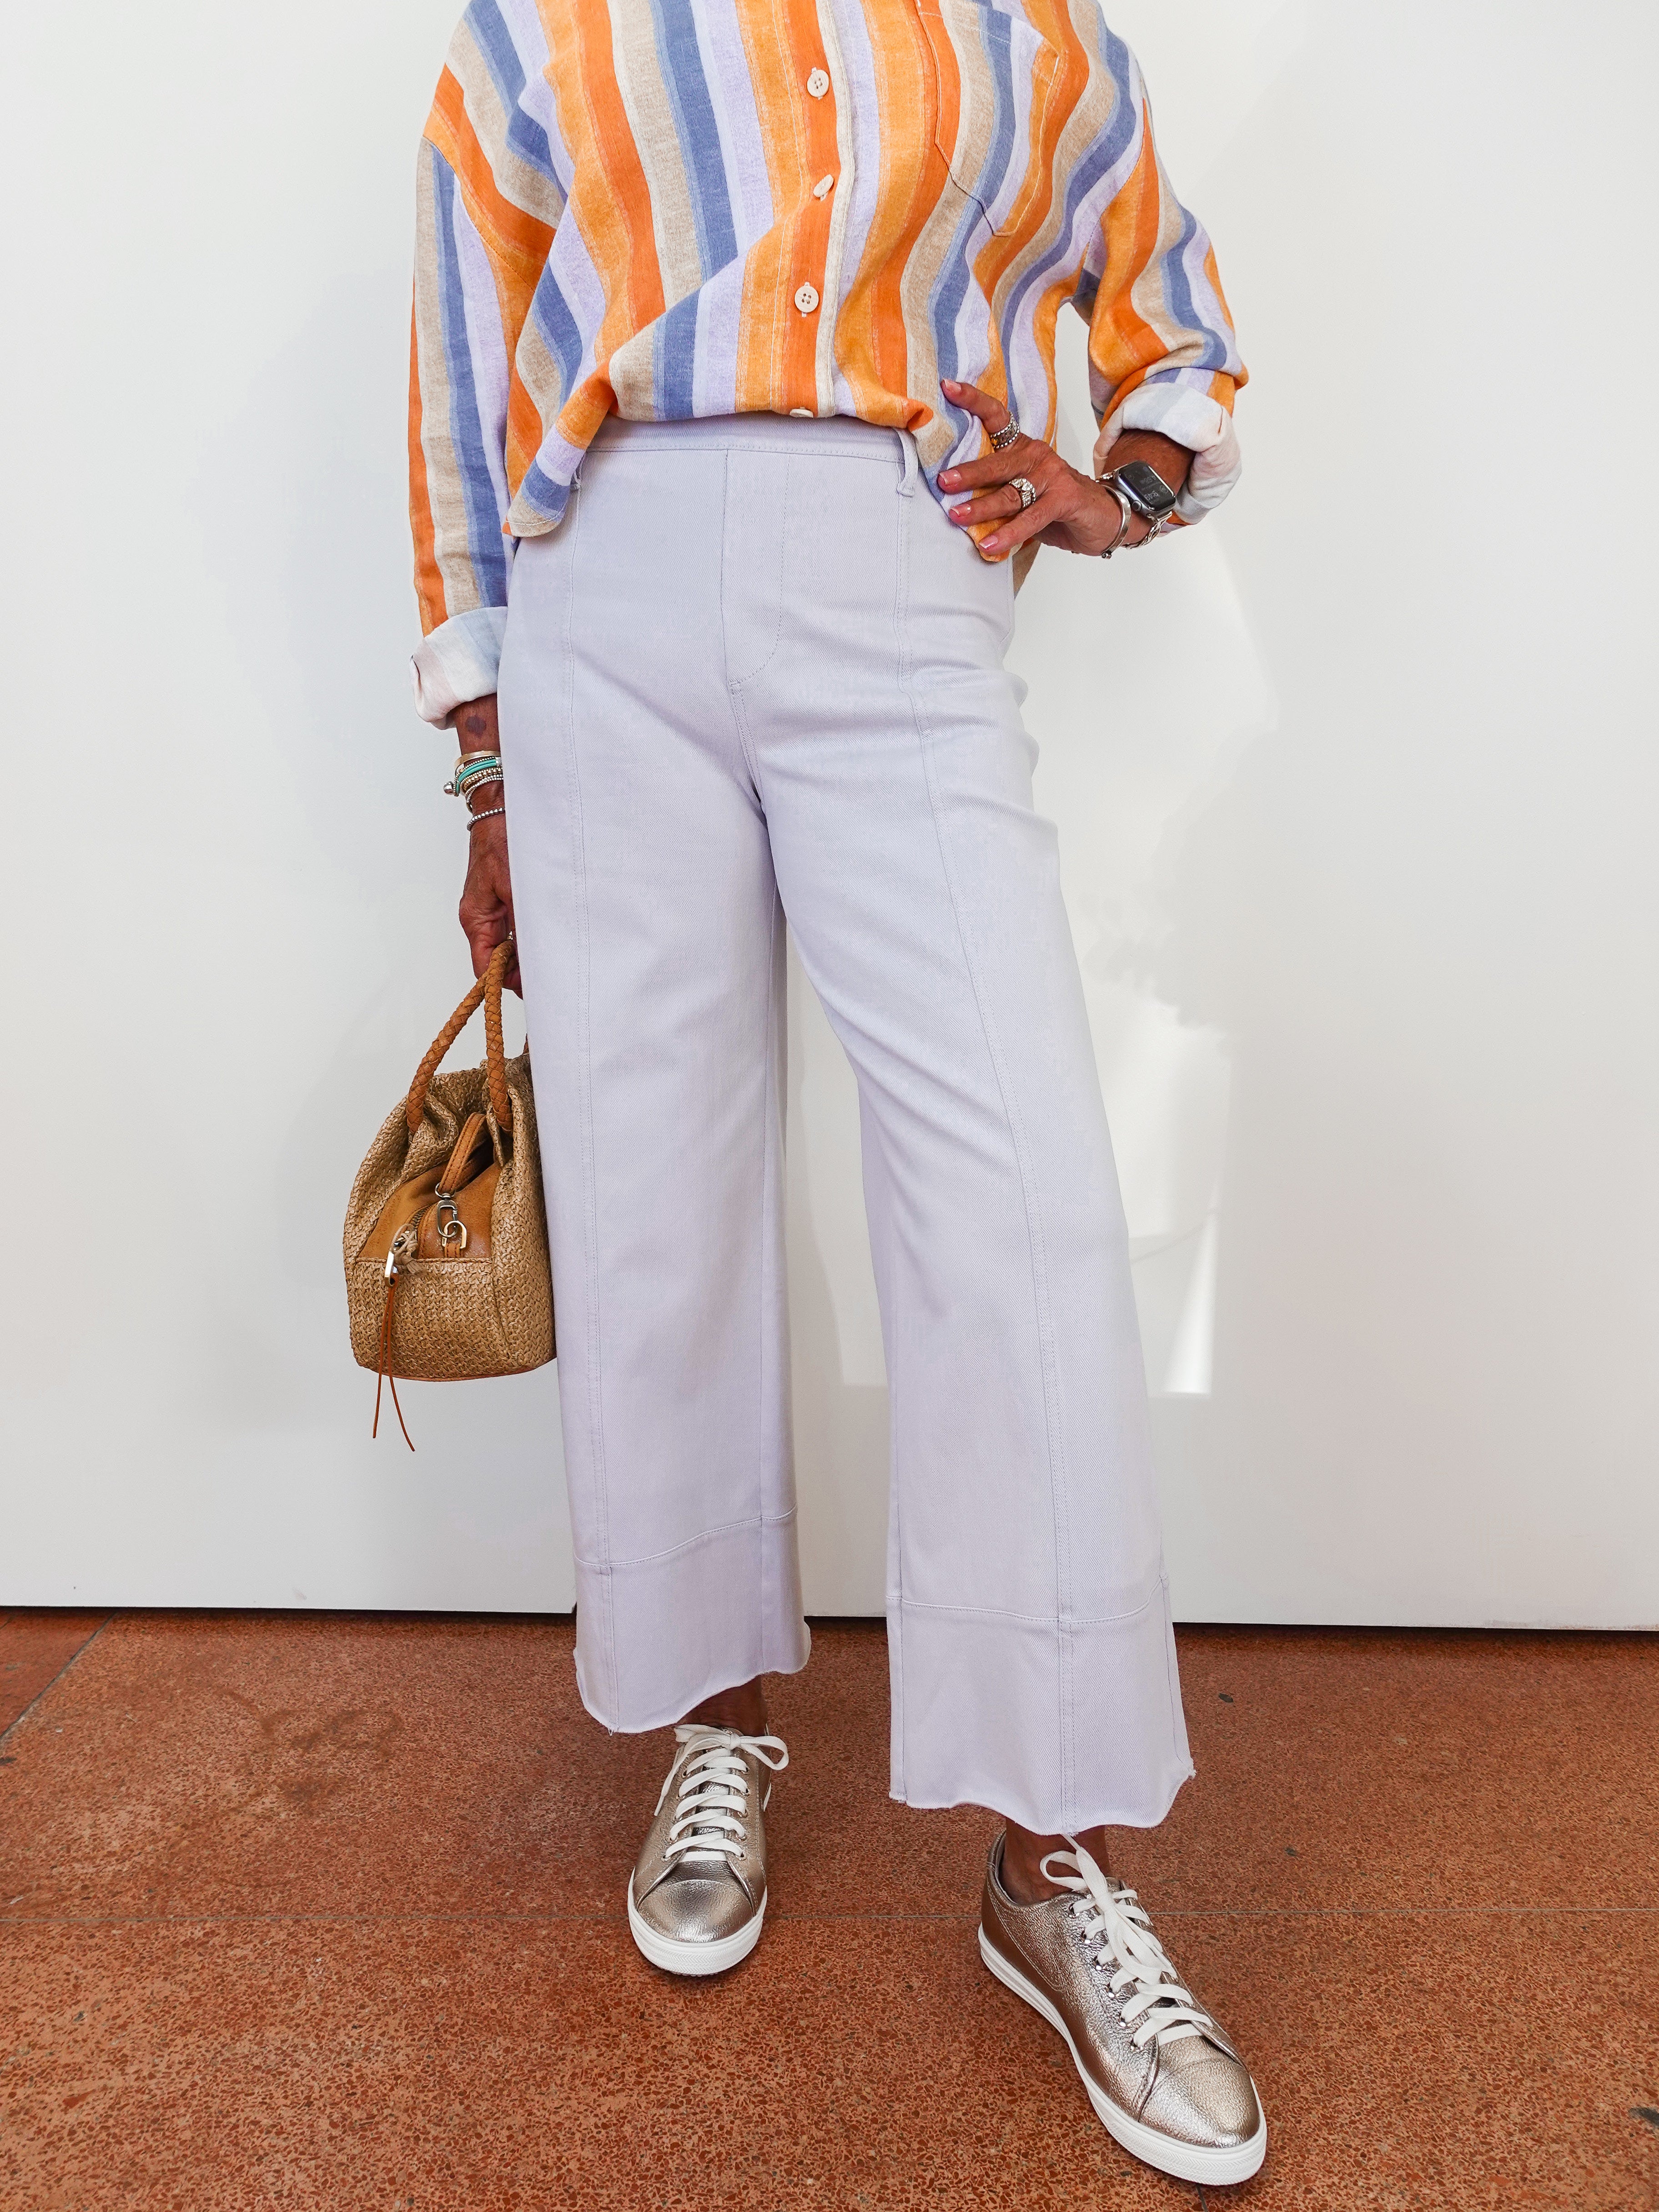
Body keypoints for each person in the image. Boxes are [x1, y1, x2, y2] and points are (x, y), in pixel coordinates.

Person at [407, 0, 1262, 2184]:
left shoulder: (1027, 28)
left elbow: (1170, 307)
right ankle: (715, 1715)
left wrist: (1126, 477)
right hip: (602, 590)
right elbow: (453, 370)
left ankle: (1054, 1854)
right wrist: (485, 748)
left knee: (1029, 1207)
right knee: (656, 1192)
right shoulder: (538, 23)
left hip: (899, 573)